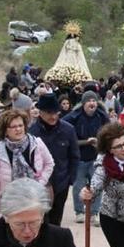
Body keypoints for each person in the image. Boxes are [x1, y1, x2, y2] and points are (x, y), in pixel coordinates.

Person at [0, 110, 54, 222]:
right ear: (5, 130)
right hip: (10, 203)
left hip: (35, 199)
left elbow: (49, 163)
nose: (18, 129)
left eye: (20, 125)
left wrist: (40, 182)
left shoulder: (37, 143)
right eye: (13, 126)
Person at [29, 93, 79, 226]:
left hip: (61, 183)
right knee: (39, 221)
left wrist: (71, 179)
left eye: (55, 112)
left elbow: (74, 156)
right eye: (48, 113)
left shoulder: (68, 130)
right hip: (39, 184)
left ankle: (53, 246)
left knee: (56, 221)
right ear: (40, 113)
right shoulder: (32, 133)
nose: (53, 116)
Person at [63, 91, 109, 225]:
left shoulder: (102, 116)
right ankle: (79, 212)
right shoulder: (74, 117)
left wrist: (99, 141)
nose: (92, 103)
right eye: (88, 101)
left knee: (97, 187)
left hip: (97, 158)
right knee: (78, 186)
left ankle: (94, 213)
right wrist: (84, 142)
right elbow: (64, 131)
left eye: (94, 101)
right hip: (79, 158)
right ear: (83, 104)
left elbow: (111, 133)